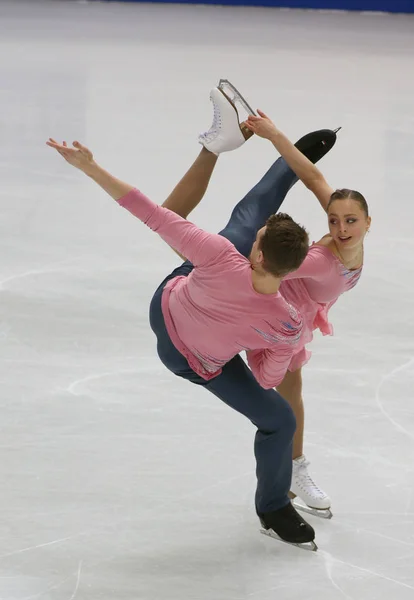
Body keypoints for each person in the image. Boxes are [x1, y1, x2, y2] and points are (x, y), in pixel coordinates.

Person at [45, 90, 337, 550]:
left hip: (173, 330)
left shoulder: (225, 257)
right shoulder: (286, 321)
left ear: (256, 255)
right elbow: (266, 377)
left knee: (241, 221)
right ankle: (275, 506)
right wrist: (261, 344)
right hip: (191, 341)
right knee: (278, 420)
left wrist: (89, 167)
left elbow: (151, 212)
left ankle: (270, 161)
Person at [162, 94, 371, 519]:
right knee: (224, 224)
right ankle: (291, 468)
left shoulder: (346, 223)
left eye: (350, 221)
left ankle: (294, 466)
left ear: (368, 222)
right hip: (270, 302)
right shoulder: (316, 259)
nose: (340, 228)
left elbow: (313, 178)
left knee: (290, 388)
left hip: (291, 313)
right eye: (334, 220)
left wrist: (278, 137)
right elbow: (267, 270)